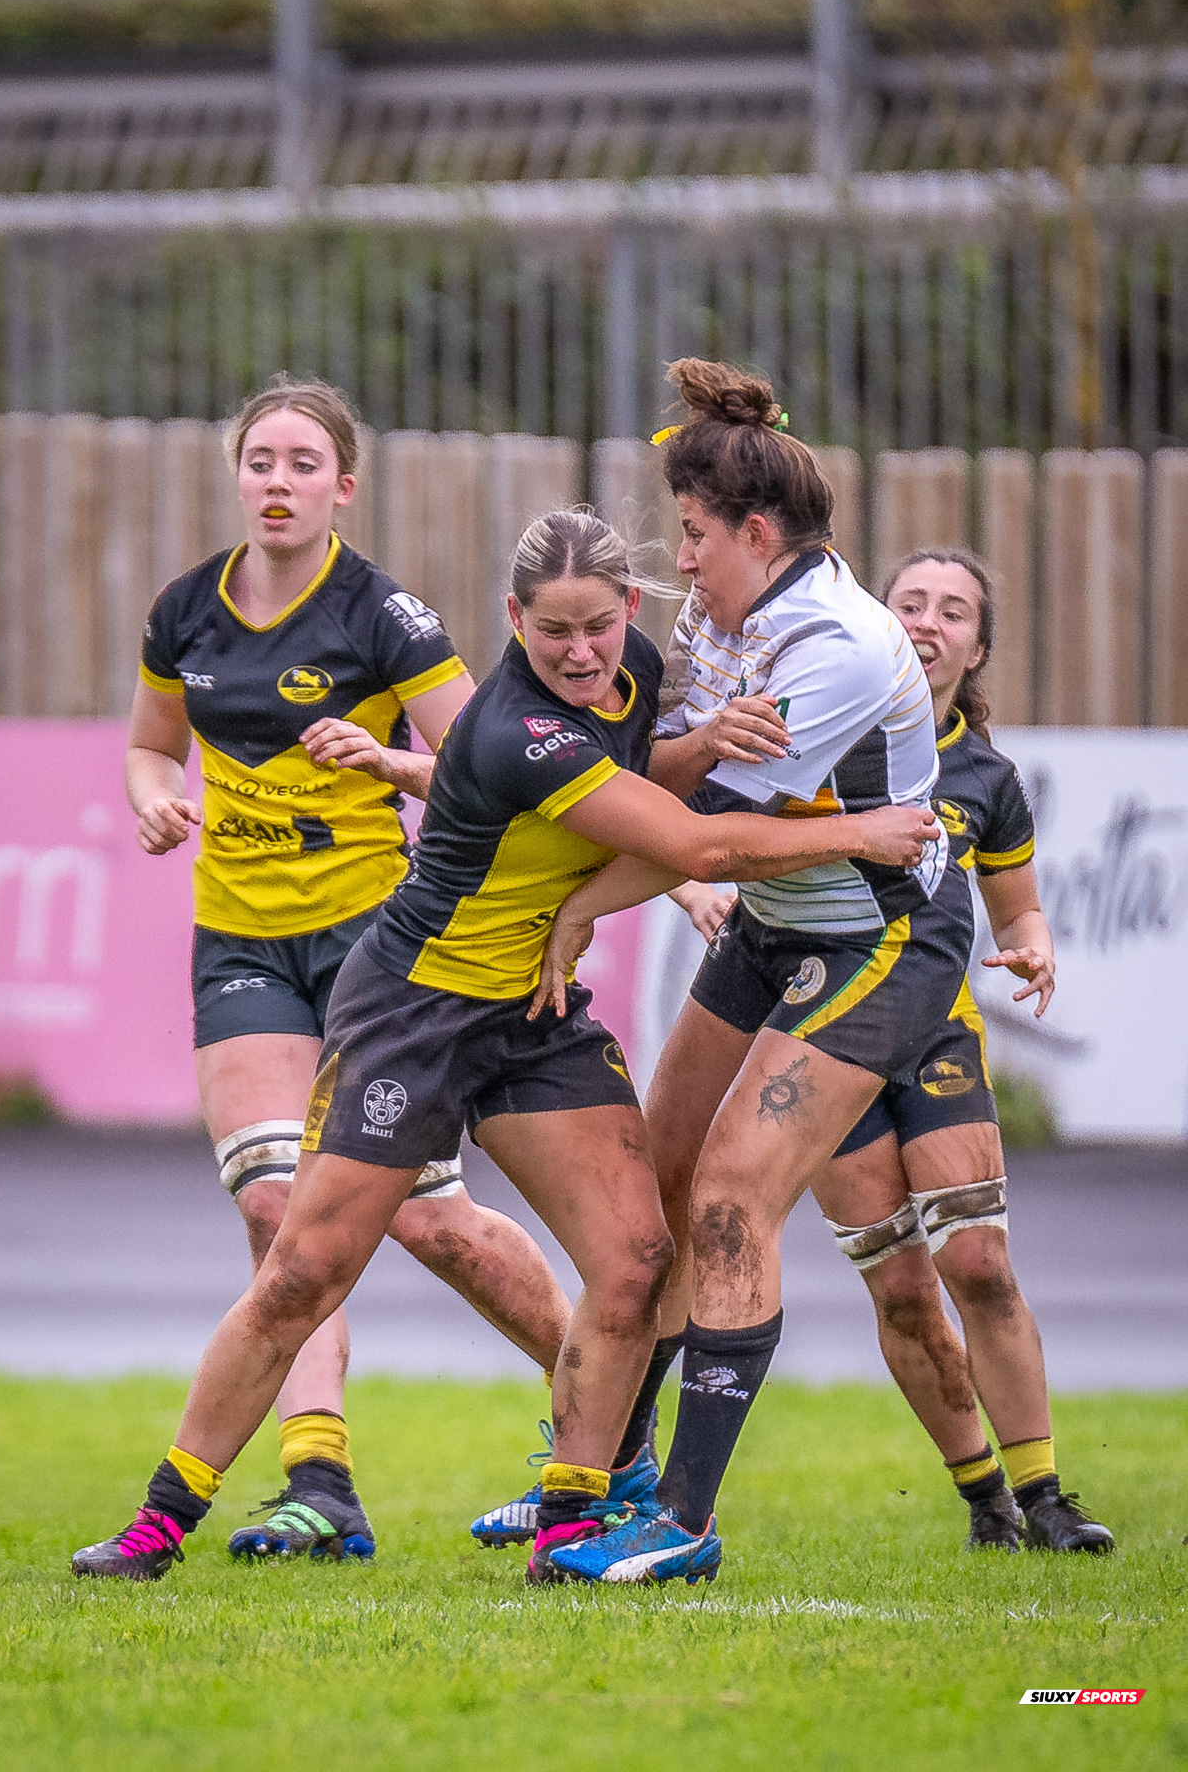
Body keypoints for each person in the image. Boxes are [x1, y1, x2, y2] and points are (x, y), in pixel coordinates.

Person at [72, 505, 938, 1586]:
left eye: (597, 627)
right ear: (512, 619)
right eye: (552, 631)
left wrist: (700, 744)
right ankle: (157, 1524)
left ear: (629, 609)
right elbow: (695, 846)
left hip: (534, 1012)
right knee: (304, 1269)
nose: (578, 653)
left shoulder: (637, 674)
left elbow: (642, 776)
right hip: (416, 1010)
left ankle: (571, 1523)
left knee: (635, 1261)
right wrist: (859, 831)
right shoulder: (516, 728)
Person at [517, 360, 985, 1587]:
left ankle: (682, 1519)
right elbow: (656, 771)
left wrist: (576, 909)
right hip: (777, 919)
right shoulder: (720, 617)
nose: (680, 559)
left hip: (876, 937)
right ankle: (610, 1476)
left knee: (729, 1198)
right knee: (658, 1181)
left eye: (692, 534)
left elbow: (705, 837)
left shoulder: (834, 644)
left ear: (756, 534)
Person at [110, 374, 573, 1567]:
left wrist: (387, 763)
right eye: (260, 460)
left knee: (429, 1221)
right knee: (277, 1208)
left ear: (343, 486)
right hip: (241, 944)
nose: (278, 482)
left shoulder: (386, 616)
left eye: (302, 463)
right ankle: (319, 1483)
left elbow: (488, 762)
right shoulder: (183, 612)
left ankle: (608, 1409)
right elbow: (152, 747)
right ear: (237, 475)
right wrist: (156, 799)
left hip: (379, 950)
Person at [808, 548, 1113, 1553]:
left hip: (935, 1033)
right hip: (814, 1040)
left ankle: (1046, 1498)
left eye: (952, 611)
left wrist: (1033, 946)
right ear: (876, 622)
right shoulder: (818, 737)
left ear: (975, 648)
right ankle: (984, 1498)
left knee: (976, 1261)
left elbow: (1018, 909)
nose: (927, 622)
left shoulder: (985, 776)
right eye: (909, 603)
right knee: (899, 1288)